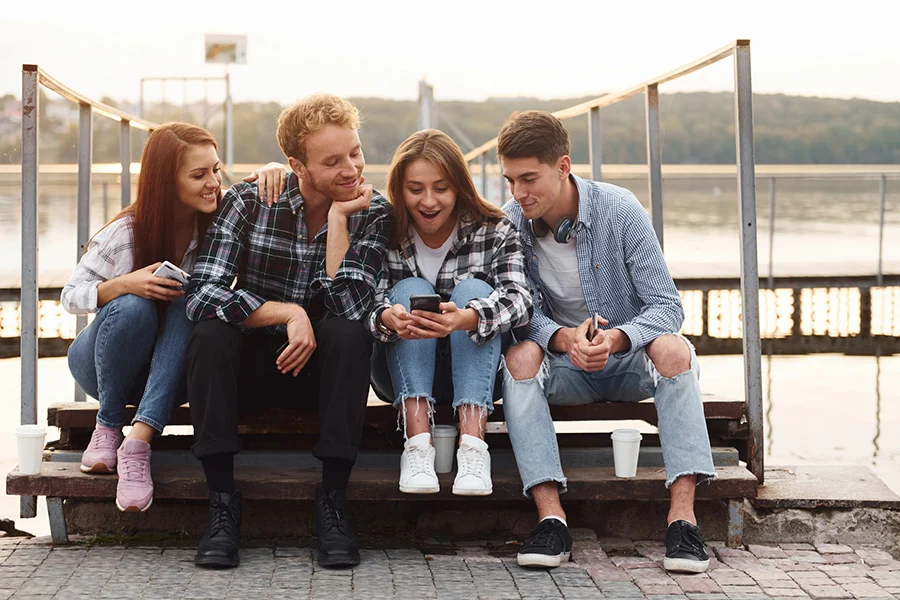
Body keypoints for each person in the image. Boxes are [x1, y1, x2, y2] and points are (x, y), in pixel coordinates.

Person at [497, 111, 716, 572]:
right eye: (510, 180)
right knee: (518, 356)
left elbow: (667, 307)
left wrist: (618, 338)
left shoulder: (620, 209)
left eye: (529, 178)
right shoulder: (510, 222)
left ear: (563, 166)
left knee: (675, 349)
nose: (519, 193)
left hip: (627, 363)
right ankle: (551, 520)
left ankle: (683, 522)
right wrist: (560, 338)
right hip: (564, 367)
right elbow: (517, 313)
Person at [184, 93, 392, 570]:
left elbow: (350, 302)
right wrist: (286, 313)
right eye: (333, 161)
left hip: (323, 377)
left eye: (355, 153)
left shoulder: (373, 211)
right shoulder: (249, 199)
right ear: (296, 164)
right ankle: (221, 505)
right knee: (209, 336)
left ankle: (334, 502)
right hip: (254, 369)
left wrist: (340, 220)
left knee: (347, 332)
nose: (351, 169)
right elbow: (202, 294)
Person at [62, 122, 223, 513]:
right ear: (167, 182)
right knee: (134, 304)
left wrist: (271, 167)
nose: (213, 183)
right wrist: (125, 284)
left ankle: (137, 446)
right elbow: (70, 297)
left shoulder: (219, 227)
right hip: (103, 367)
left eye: (216, 170)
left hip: (170, 376)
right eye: (199, 174)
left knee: (192, 303)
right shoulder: (126, 233)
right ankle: (107, 425)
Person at [366, 129, 531, 496]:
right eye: (415, 188)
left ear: (459, 185)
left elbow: (521, 299)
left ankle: (473, 450)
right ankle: (417, 447)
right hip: (401, 374)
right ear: (399, 188)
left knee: (474, 290)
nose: (428, 201)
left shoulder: (493, 228)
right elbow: (366, 301)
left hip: (479, 374)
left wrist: (468, 317)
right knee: (409, 291)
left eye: (441, 188)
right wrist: (386, 318)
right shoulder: (384, 228)